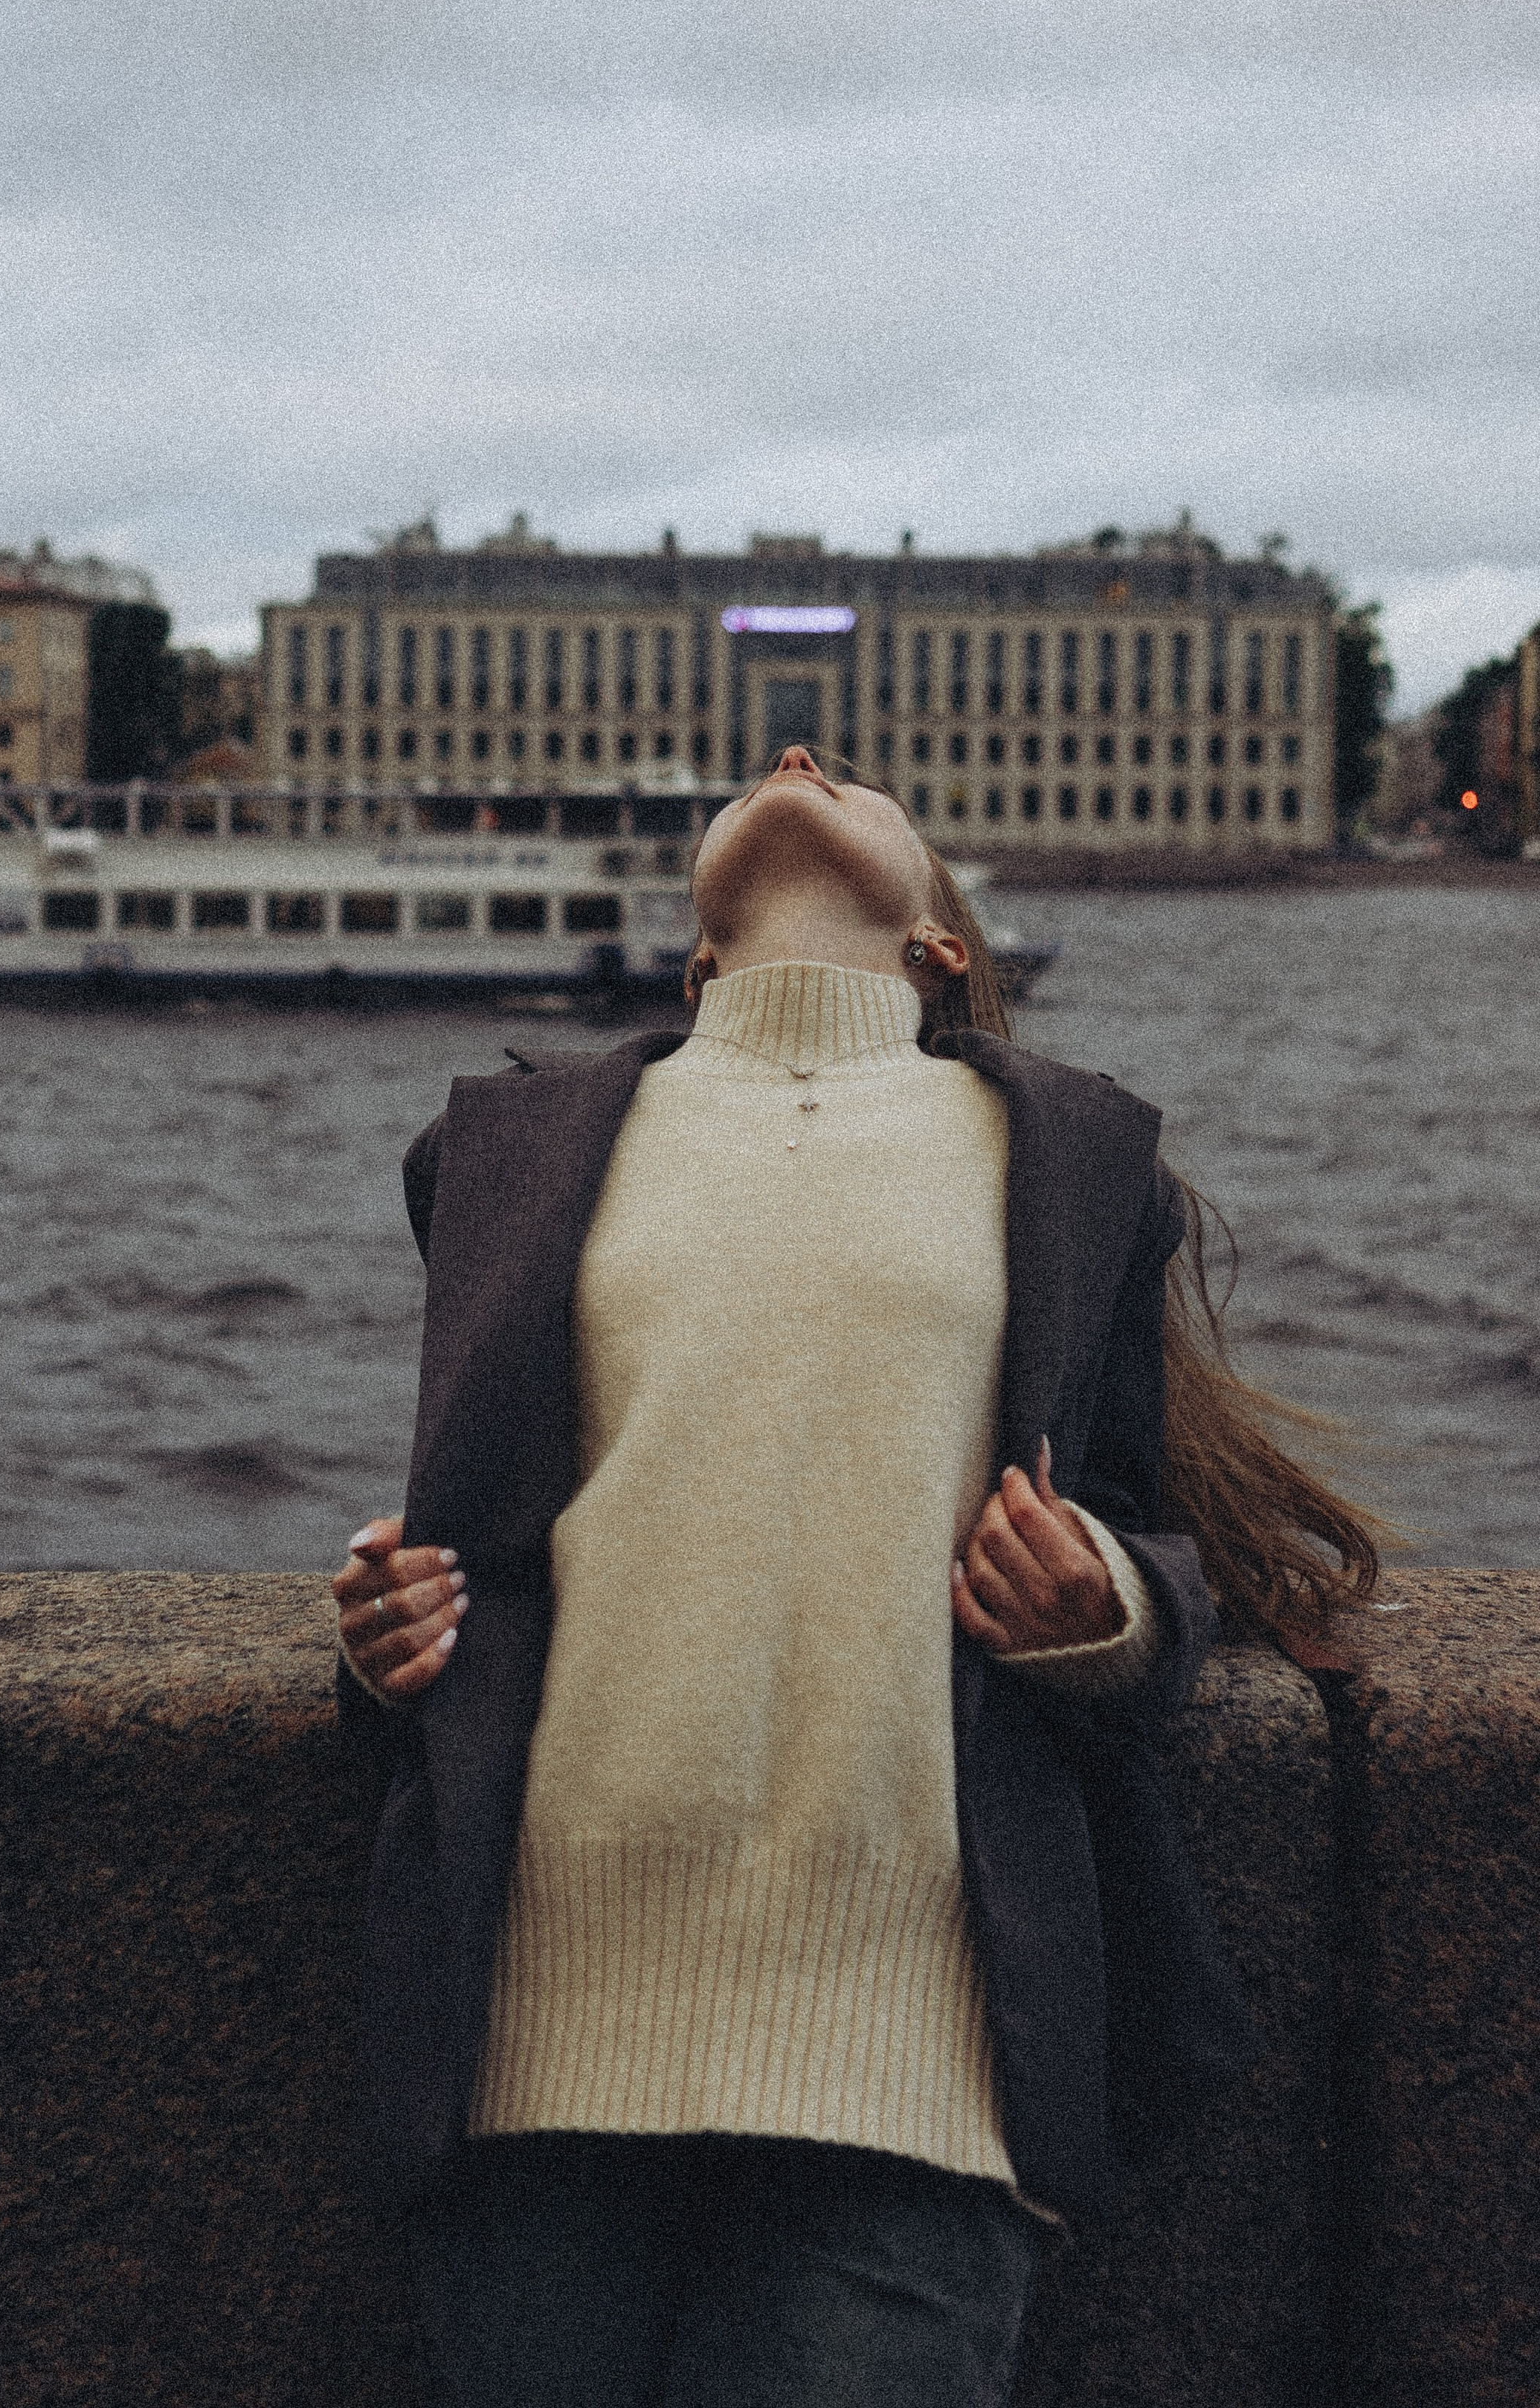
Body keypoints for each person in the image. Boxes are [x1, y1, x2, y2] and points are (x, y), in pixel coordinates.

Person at [334, 748, 1380, 2408]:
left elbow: (1140, 1527)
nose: (800, 759)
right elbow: (488, 1548)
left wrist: (1102, 1613)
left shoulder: (1068, 1160)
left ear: (940, 947)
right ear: (690, 956)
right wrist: (387, 1634)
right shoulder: (506, 1153)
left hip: (917, 2049)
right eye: (773, 764)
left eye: (857, 779)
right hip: (536, 2022)